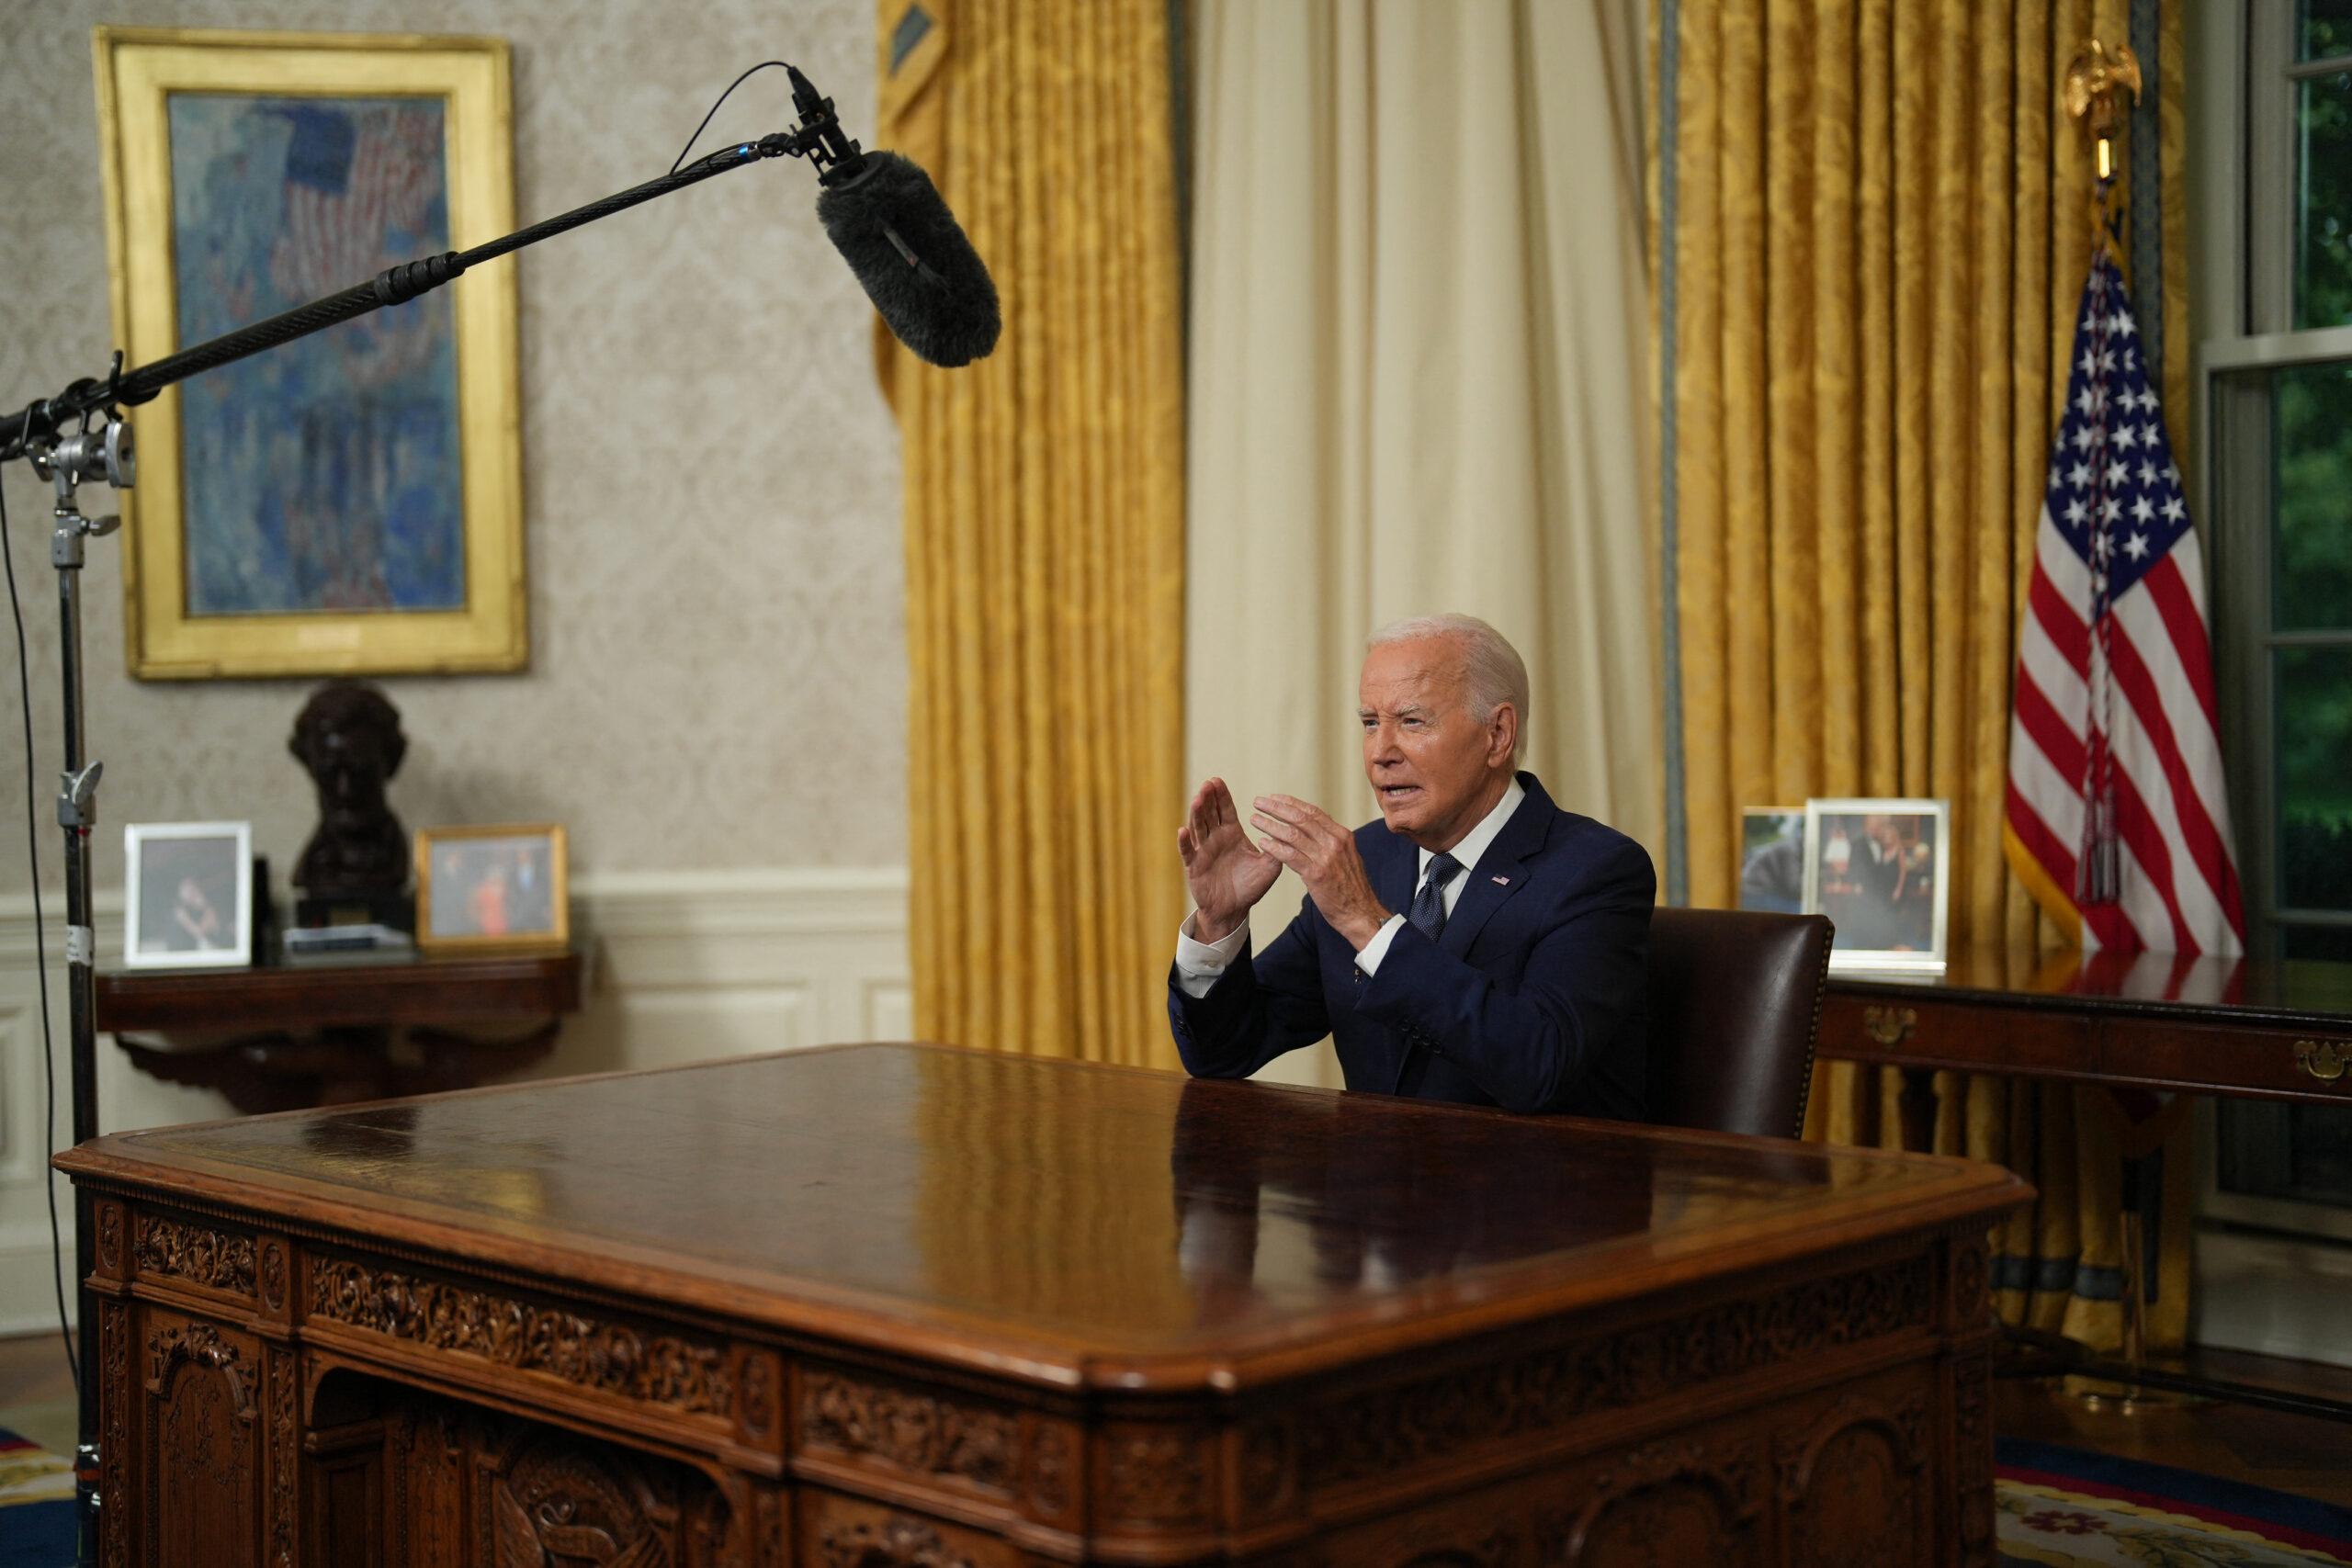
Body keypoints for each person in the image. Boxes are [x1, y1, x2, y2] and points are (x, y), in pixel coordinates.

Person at [1169, 615, 1655, 1117]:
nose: (1380, 753)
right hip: (1375, 1185)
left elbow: (1538, 1066)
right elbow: (1224, 1051)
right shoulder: (1367, 858)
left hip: (1530, 1187)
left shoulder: (1596, 870)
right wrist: (1218, 926)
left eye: (1412, 721)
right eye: (1370, 724)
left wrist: (1367, 923)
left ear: (1498, 734)